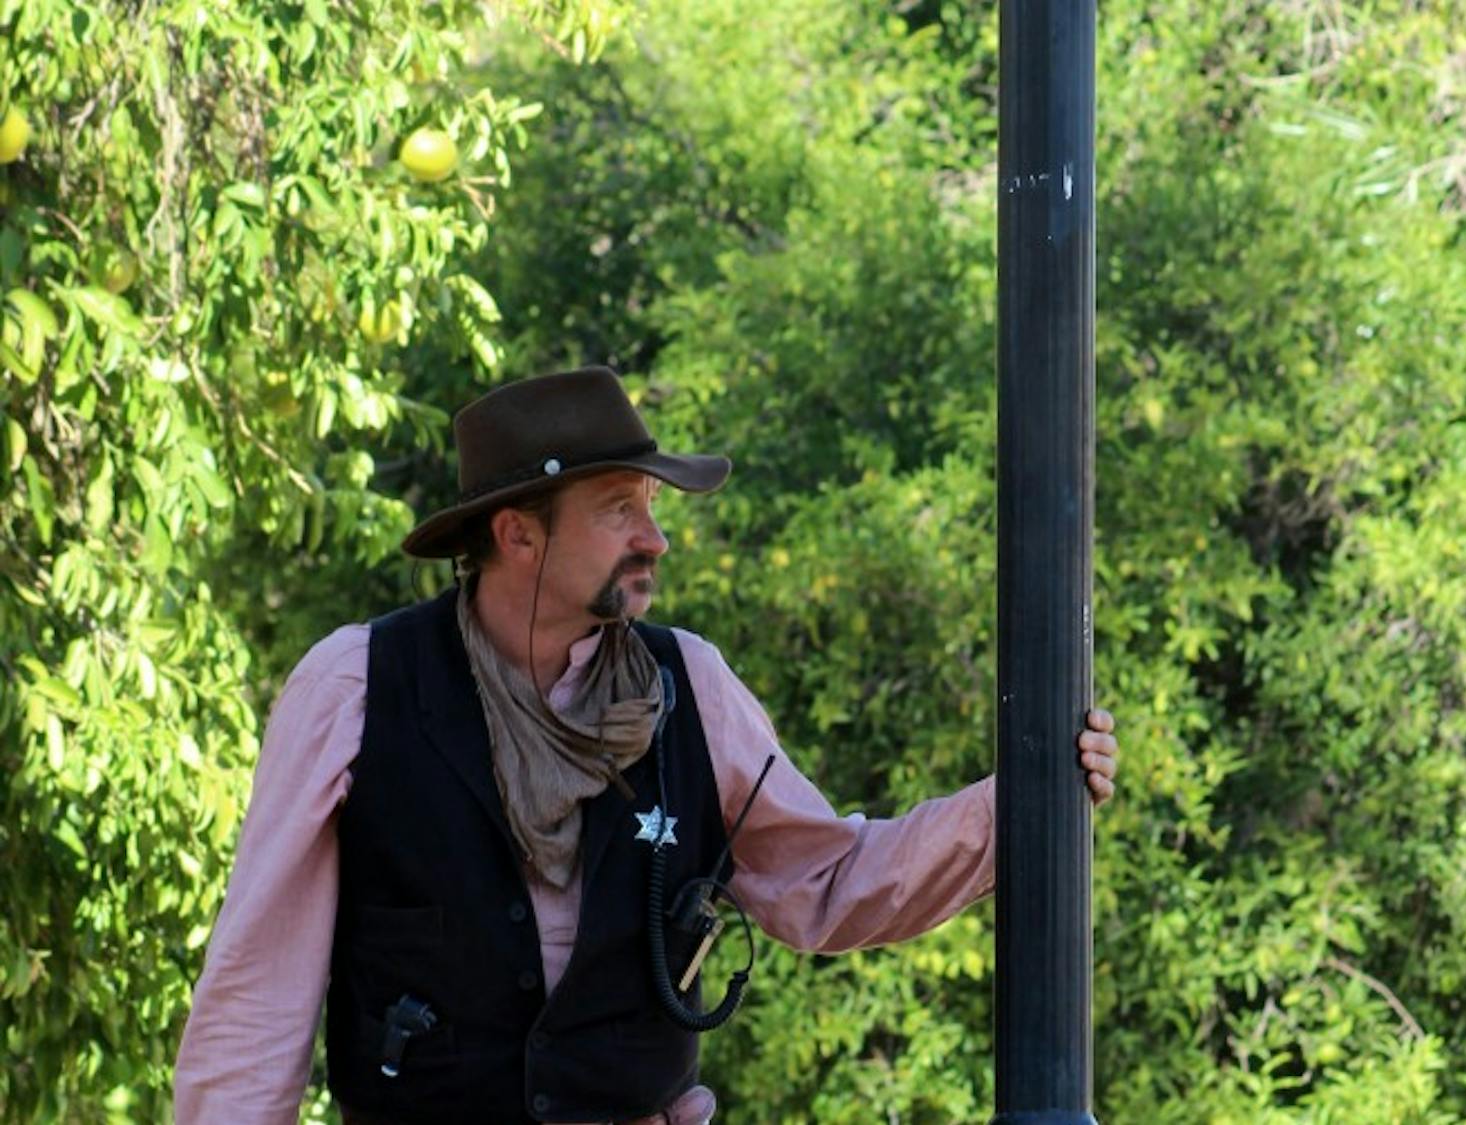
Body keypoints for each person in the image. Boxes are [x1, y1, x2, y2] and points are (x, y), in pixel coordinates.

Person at [174, 366, 1120, 1124]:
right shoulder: (355, 688)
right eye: (621, 508)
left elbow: (825, 883)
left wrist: (1028, 794)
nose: (657, 539)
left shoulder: (690, 685)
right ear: (517, 534)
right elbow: (258, 995)